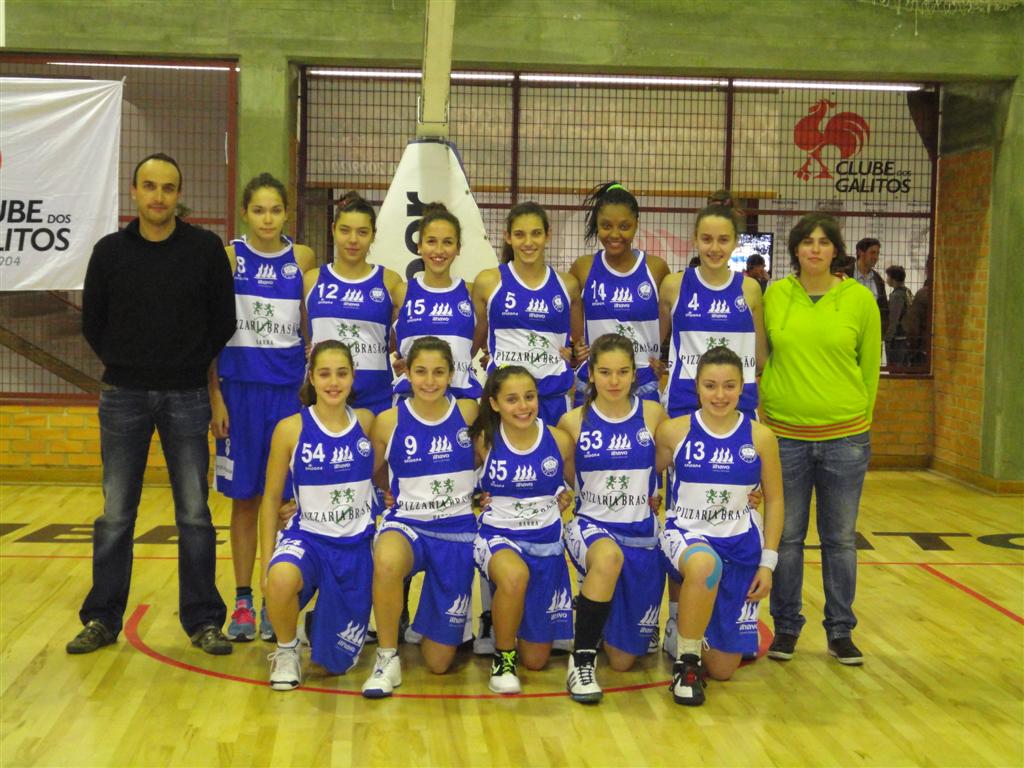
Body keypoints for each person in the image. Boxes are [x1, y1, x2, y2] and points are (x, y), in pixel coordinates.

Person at [69, 153, 236, 656]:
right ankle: (101, 619)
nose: (158, 196)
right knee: (116, 515)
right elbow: (93, 322)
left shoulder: (204, 249)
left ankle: (204, 621)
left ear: (178, 195)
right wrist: (128, 361)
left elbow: (223, 320)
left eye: (167, 188)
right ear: (135, 192)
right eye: (149, 186)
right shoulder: (109, 252)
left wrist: (188, 363)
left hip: (187, 395)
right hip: (123, 396)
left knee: (195, 515)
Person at [762, 214, 880, 666]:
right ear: (795, 249)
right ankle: (786, 627)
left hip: (845, 439)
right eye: (807, 241)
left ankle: (841, 630)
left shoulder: (859, 299)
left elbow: (869, 368)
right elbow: (764, 358)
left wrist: (859, 420)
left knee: (840, 539)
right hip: (785, 437)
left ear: (836, 251)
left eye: (824, 241)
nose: (815, 248)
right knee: (787, 538)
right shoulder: (776, 295)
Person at [210, 173, 316, 643]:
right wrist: (215, 395)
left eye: (275, 210)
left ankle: (277, 596)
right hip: (239, 393)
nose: (267, 219)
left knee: (288, 502)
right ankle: (243, 601)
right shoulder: (230, 257)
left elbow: (313, 324)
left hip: (287, 395)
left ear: (287, 213)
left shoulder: (302, 260)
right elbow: (212, 330)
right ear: (244, 213)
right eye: (258, 210)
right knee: (246, 500)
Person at [655, 346, 783, 706]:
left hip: (740, 545)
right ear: (697, 386)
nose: (720, 395)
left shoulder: (761, 437)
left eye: (729, 386)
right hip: (687, 535)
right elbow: (643, 471)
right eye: (710, 385)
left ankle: (689, 629)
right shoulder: (674, 431)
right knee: (705, 565)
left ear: (743, 387)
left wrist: (768, 563)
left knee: (724, 669)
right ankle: (687, 664)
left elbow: (775, 500)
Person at [361, 337, 480, 697]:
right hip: (408, 524)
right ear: (407, 374)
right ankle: (387, 658)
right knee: (386, 559)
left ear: (451, 374)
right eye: (421, 372)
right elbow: (369, 473)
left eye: (439, 372)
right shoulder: (388, 421)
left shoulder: (469, 412)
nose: (430, 381)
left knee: (439, 663)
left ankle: (427, 623)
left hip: (456, 531)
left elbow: (490, 458)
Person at [259, 341, 378, 690]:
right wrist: (265, 564)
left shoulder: (367, 422)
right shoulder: (290, 429)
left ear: (353, 377)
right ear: (311, 377)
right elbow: (270, 500)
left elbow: (385, 474)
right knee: (281, 578)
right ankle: (286, 649)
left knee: (332, 666)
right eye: (324, 374)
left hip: (354, 546)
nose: (333, 382)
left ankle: (320, 623)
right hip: (308, 539)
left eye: (342, 373)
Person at [559, 333, 668, 703]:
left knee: (622, 662)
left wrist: (748, 492)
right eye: (605, 372)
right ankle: (581, 659)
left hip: (640, 532)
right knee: (607, 558)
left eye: (623, 372)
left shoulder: (652, 414)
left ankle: (604, 615)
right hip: (592, 527)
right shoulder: (572, 421)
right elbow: (564, 476)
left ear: (634, 374)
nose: (614, 380)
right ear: (591, 374)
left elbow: (674, 461)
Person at [471, 366, 576, 694]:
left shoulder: (559, 439)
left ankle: (504, 621)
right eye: (512, 399)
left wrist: (565, 494)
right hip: (498, 536)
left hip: (545, 541)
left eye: (529, 397)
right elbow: (462, 485)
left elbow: (575, 484)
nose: (523, 406)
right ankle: (503, 658)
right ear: (495, 403)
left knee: (536, 660)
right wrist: (475, 497)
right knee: (514, 576)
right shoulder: (484, 440)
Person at [472, 202, 583, 426]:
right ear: (508, 237)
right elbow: (474, 340)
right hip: (506, 400)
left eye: (536, 233)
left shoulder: (567, 285)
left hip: (553, 399)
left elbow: (579, 344)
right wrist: (491, 354)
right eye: (520, 234)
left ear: (548, 235)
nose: (528, 242)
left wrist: (574, 355)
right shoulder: (488, 282)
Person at [660, 197, 767, 421]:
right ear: (695, 239)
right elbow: (653, 344)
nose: (715, 248)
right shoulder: (673, 285)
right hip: (684, 405)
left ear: (736, 242)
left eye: (724, 240)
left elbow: (760, 358)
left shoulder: (750, 289)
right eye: (707, 239)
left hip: (739, 406)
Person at [570, 182, 670, 407]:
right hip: (594, 381)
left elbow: (669, 315)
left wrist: (657, 353)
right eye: (606, 226)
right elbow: (569, 313)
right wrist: (577, 346)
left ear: (636, 225)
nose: (614, 234)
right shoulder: (583, 268)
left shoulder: (655, 268)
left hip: (642, 378)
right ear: (597, 224)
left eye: (624, 226)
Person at [306, 192, 403, 415]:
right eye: (345, 230)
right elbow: (303, 330)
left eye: (362, 232)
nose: (353, 240)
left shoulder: (390, 282)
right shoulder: (311, 280)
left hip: (377, 399)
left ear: (373, 235)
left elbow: (398, 339)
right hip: (323, 398)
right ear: (333, 229)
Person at [392, 203, 481, 401]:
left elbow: (480, 342)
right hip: (411, 397)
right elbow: (385, 341)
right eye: (431, 241)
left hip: (461, 398)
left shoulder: (471, 291)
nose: (439, 250)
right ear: (419, 246)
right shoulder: (401, 292)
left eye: (447, 242)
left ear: (458, 248)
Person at [853, 237, 888, 338]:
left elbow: (884, 310)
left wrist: (881, 333)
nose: (876, 257)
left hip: (870, 335)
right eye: (872, 253)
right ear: (860, 252)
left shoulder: (878, 280)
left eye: (877, 253)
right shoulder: (845, 275)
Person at [883, 265, 913, 367]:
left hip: (896, 339)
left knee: (894, 369)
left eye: (888, 276)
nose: (887, 279)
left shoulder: (897, 296)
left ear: (893, 279)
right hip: (905, 338)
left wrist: (888, 337)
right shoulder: (907, 292)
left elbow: (893, 319)